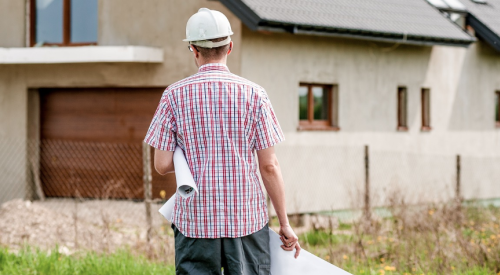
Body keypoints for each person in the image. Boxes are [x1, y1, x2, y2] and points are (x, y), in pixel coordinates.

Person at [144, 8, 300, 275]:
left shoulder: (173, 96)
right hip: (246, 222)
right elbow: (269, 166)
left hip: (195, 223)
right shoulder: (255, 95)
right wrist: (284, 223)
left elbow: (161, 164)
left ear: (193, 49)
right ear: (229, 46)